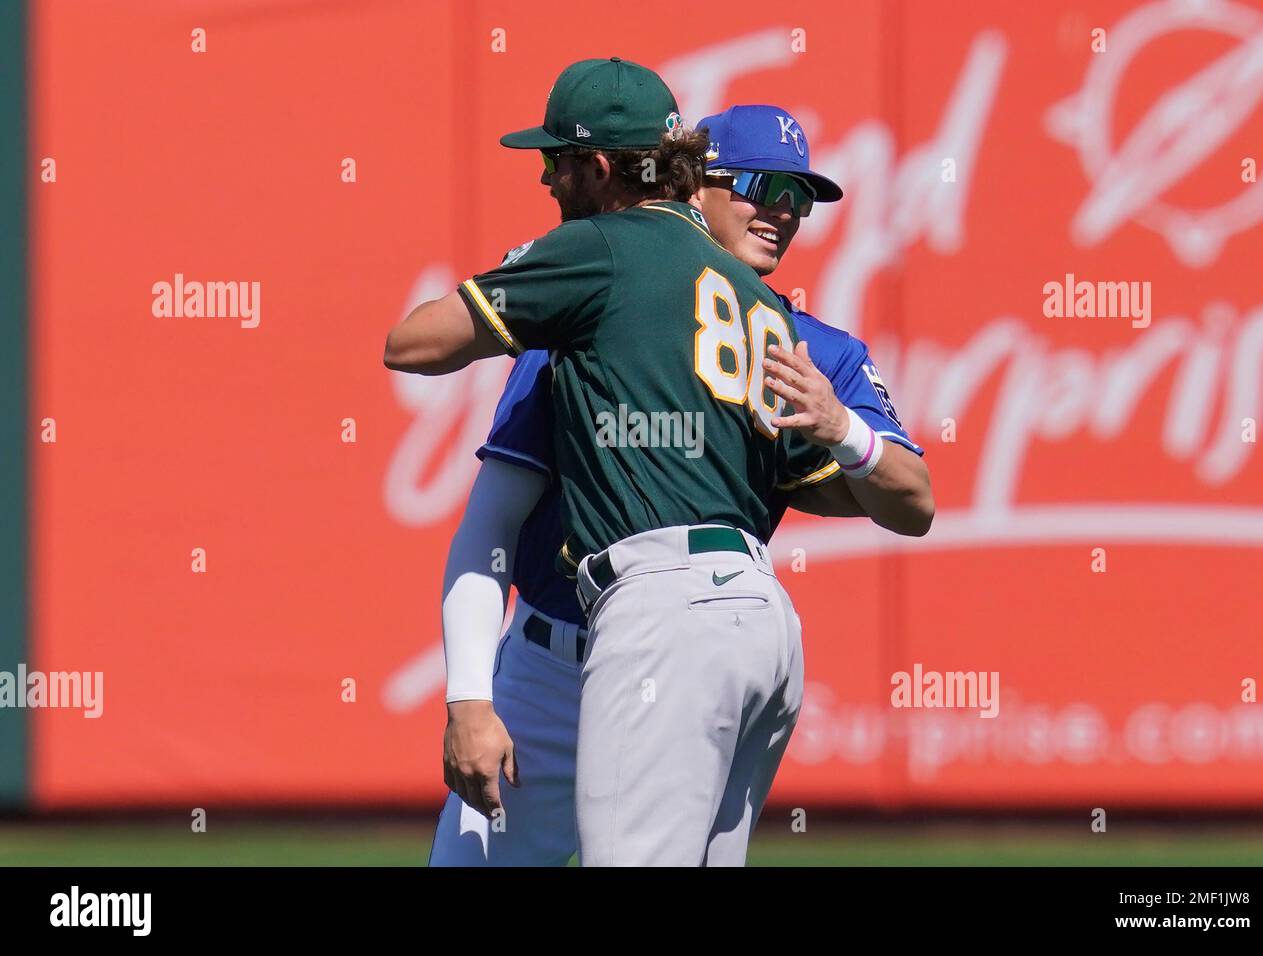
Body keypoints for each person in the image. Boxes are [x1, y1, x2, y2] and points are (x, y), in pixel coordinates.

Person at [385, 62, 931, 865]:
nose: (779, 210)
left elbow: (908, 499)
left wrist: (844, 427)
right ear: (694, 183)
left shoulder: (750, 327)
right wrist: (472, 695)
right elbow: (495, 516)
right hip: (582, 648)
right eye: (756, 184)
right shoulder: (726, 317)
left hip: (659, 624)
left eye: (798, 196)